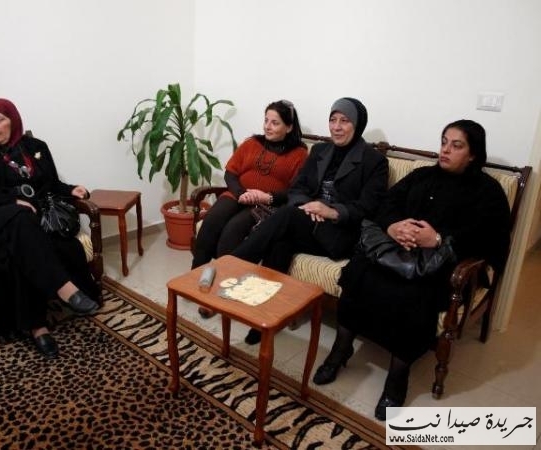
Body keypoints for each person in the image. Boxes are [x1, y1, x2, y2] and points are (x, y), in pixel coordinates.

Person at [312, 119, 512, 421]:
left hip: (443, 263)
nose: (445, 150)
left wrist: (439, 239)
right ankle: (341, 349)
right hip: (398, 251)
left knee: (414, 292)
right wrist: (393, 227)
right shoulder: (422, 176)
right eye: (444, 142)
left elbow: (490, 238)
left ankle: (398, 375)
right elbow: (386, 204)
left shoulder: (488, 192)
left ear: (473, 154)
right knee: (360, 269)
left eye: (456, 145)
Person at [231, 97, 389, 344]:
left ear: (357, 125)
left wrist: (330, 211)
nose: (336, 127)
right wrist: (306, 207)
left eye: (344, 121)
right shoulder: (320, 151)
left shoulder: (374, 161)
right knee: (280, 242)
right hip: (307, 221)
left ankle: (231, 266)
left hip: (339, 232)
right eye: (333, 120)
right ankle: (263, 317)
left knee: (286, 216)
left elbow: (369, 207)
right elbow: (297, 188)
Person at [0, 98, 101, 359]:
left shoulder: (35, 147)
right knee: (21, 218)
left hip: (32, 219)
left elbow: (50, 184)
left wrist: (70, 190)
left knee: (24, 246)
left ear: (13, 120)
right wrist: (12, 200)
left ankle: (37, 326)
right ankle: (64, 291)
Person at [192, 100, 308, 318]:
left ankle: (221, 293)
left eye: (275, 123)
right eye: (266, 120)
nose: (267, 126)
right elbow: (231, 172)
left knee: (232, 231)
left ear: (289, 127)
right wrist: (240, 193)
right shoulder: (251, 143)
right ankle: (194, 280)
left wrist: (266, 196)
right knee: (211, 222)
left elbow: (296, 191)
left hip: (265, 205)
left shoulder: (300, 154)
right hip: (238, 194)